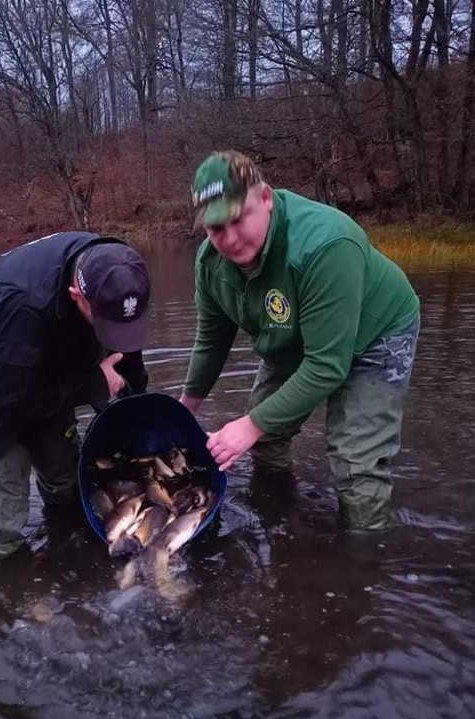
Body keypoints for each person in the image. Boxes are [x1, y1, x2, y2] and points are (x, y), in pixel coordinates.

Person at [180, 150, 420, 530]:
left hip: (377, 334)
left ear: (265, 198)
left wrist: (248, 424)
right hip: (293, 335)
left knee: (356, 464)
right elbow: (211, 341)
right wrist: (183, 410)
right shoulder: (210, 265)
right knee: (265, 439)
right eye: (215, 228)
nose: (228, 238)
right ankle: (278, 519)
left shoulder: (325, 244)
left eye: (238, 219)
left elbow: (328, 366)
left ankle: (363, 560)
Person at [0, 232, 151, 563]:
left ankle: (68, 552)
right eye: (106, 325)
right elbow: (6, 397)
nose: (117, 334)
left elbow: (127, 348)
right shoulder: (21, 304)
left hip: (52, 371)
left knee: (68, 485)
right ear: (76, 295)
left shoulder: (118, 271)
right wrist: (93, 382)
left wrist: (136, 406)